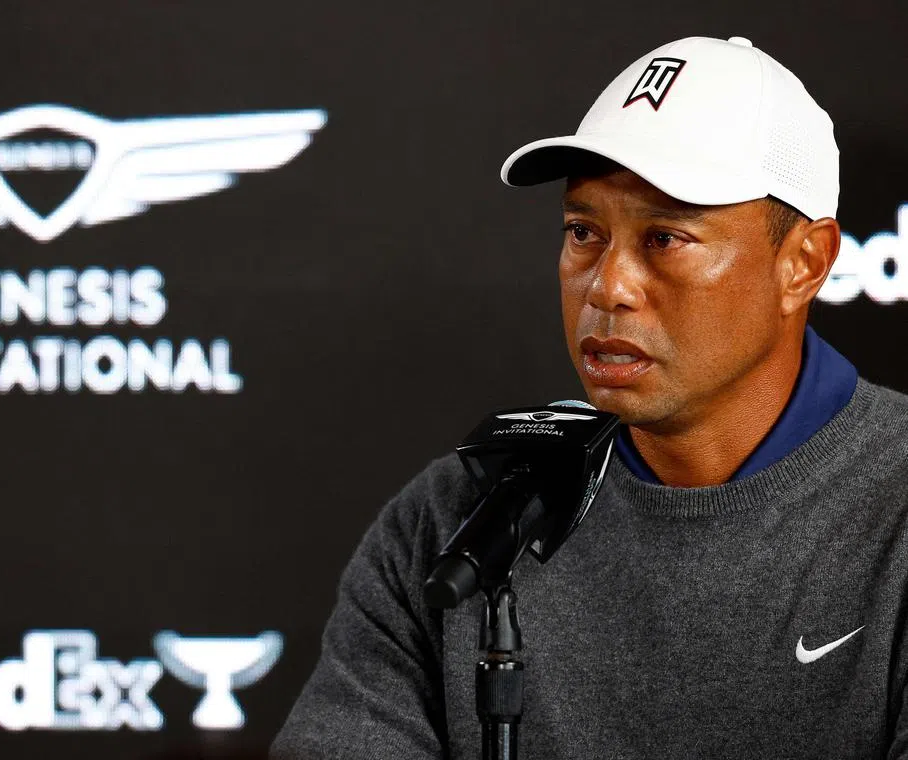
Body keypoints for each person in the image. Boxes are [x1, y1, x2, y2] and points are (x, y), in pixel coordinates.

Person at [270, 36, 908, 759]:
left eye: (665, 238)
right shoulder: (454, 523)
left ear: (803, 264)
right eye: (584, 233)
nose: (607, 287)